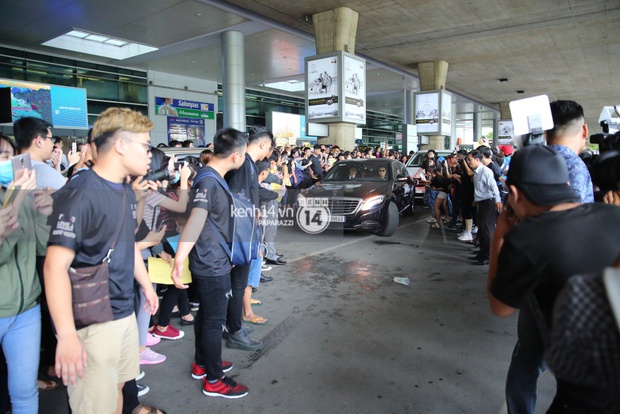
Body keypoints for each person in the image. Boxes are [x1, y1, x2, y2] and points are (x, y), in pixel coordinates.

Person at [486, 145, 620, 414]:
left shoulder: (526, 238)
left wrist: (499, 236)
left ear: (514, 194)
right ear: (567, 184)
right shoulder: (613, 213)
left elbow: (501, 307)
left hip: (591, 391)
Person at [44, 107, 160, 414]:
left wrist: (146, 285)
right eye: (145, 146)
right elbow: (54, 267)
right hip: (92, 321)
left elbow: (126, 243)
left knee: (118, 387)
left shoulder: (124, 189)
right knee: (95, 405)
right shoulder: (80, 193)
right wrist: (67, 336)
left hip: (123, 311)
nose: (149, 154)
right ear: (121, 145)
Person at [171, 127, 250, 399]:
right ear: (236, 155)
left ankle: (203, 364)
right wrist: (179, 259)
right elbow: (196, 220)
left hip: (214, 258)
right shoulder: (208, 181)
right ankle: (214, 380)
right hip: (211, 262)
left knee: (207, 315)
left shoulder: (211, 177)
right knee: (214, 321)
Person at [0, 168, 52, 414]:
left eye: (9, 154)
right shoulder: (19, 196)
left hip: (27, 311)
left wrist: (43, 214)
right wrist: (17, 198)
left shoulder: (24, 198)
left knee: (25, 391)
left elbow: (43, 247)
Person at [224, 126, 273, 341]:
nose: (268, 153)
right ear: (263, 144)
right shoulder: (244, 165)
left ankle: (235, 325)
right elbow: (238, 203)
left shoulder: (248, 165)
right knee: (237, 284)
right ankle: (234, 330)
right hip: (240, 236)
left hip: (246, 234)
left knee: (239, 283)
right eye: (269, 148)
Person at [545, 99, 594, 203]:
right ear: (585, 130)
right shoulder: (575, 166)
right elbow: (574, 211)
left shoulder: (534, 162)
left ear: (546, 135)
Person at [466, 149, 502, 265]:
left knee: (487, 231)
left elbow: (494, 187)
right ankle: (482, 253)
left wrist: (498, 201)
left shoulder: (486, 171)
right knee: (481, 230)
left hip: (489, 203)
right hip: (481, 203)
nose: (468, 162)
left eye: (470, 159)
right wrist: (476, 200)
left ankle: (488, 256)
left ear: (477, 159)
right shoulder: (477, 172)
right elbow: (480, 190)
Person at [13, 117, 66, 190]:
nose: (52, 144)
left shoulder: (14, 166)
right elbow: (70, 193)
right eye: (50, 139)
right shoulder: (43, 170)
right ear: (39, 141)